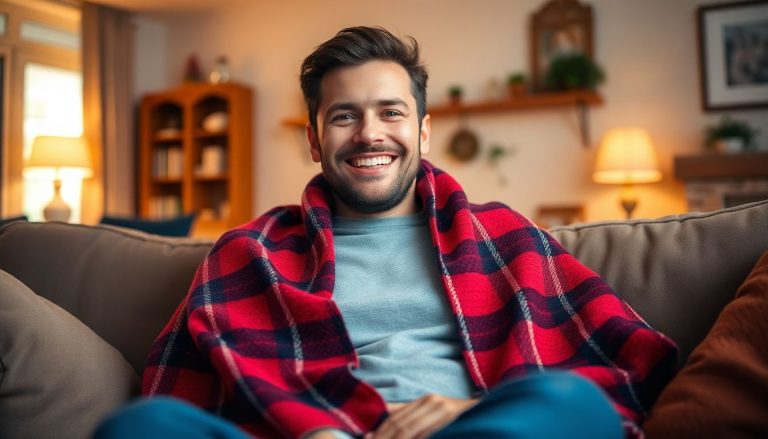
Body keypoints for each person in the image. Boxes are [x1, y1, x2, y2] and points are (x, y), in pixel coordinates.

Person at [96, 26, 677, 439]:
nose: (370, 134)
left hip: (469, 428)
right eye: (344, 115)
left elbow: (635, 361)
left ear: (423, 132)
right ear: (314, 138)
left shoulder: (507, 238)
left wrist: (468, 408)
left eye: (391, 113)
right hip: (303, 430)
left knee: (572, 403)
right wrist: (314, 426)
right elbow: (176, 389)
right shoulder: (251, 254)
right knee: (142, 426)